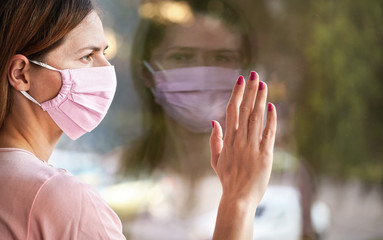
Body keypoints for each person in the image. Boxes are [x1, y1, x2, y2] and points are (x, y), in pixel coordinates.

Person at [0, 0, 277, 240]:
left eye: (103, 53)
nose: (106, 70)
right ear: (22, 74)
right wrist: (239, 201)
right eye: (87, 56)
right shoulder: (62, 201)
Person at [118, 0, 275, 239]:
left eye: (222, 58)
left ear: (244, 71)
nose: (203, 73)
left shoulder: (279, 182)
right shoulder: (116, 179)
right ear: (147, 73)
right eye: (182, 57)